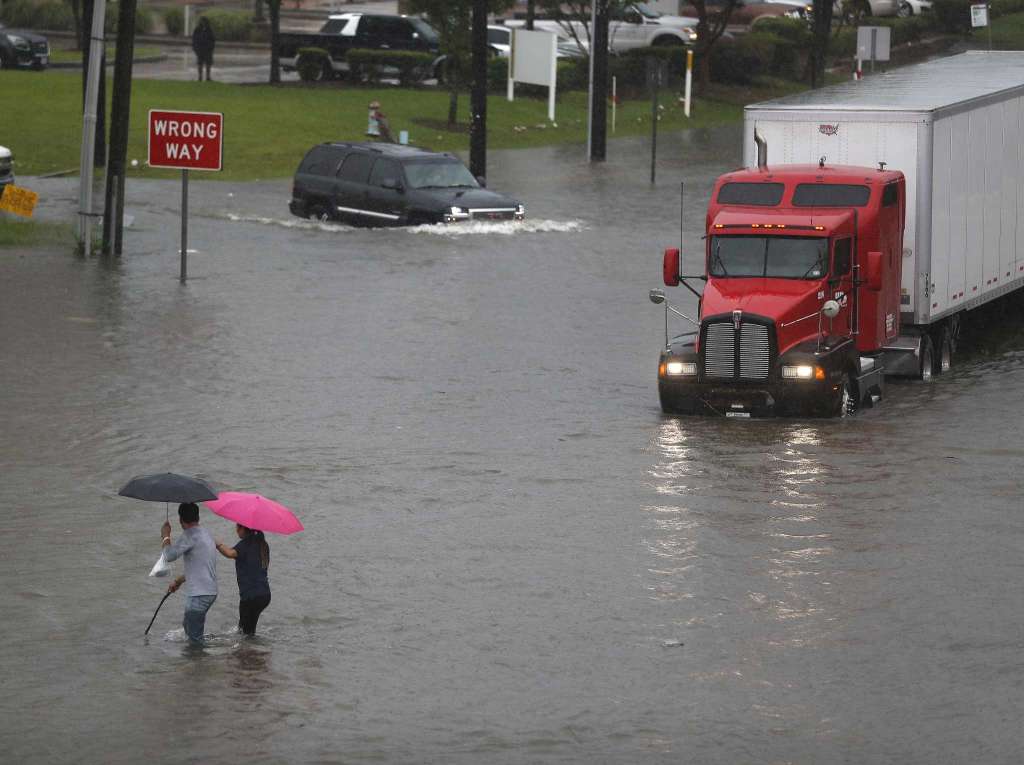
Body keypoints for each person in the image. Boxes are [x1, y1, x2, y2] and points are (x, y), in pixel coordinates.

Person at [161, 503, 218, 644]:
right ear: (197, 517)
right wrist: (178, 581)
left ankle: (199, 662)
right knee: (188, 626)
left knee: (194, 643)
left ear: (181, 520)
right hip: (209, 592)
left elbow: (168, 556)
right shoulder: (206, 533)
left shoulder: (189, 535)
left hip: (199, 594)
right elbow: (199, 567)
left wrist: (165, 536)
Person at [215, 524, 271, 636]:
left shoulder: (246, 543)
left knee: (246, 633)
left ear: (244, 529)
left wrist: (218, 544)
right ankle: (253, 649)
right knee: (245, 629)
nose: (236, 530)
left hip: (251, 597)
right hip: (264, 594)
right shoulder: (263, 544)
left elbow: (230, 553)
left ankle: (249, 651)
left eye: (238, 527)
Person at [191, 17, 215, 82]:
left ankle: (208, 77)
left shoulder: (209, 30)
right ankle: (200, 77)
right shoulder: (197, 30)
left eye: (204, 21)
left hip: (208, 50)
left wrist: (211, 48)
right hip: (200, 50)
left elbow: (212, 40)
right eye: (202, 21)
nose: (203, 23)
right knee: (200, 64)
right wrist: (195, 48)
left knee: (208, 64)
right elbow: (194, 40)